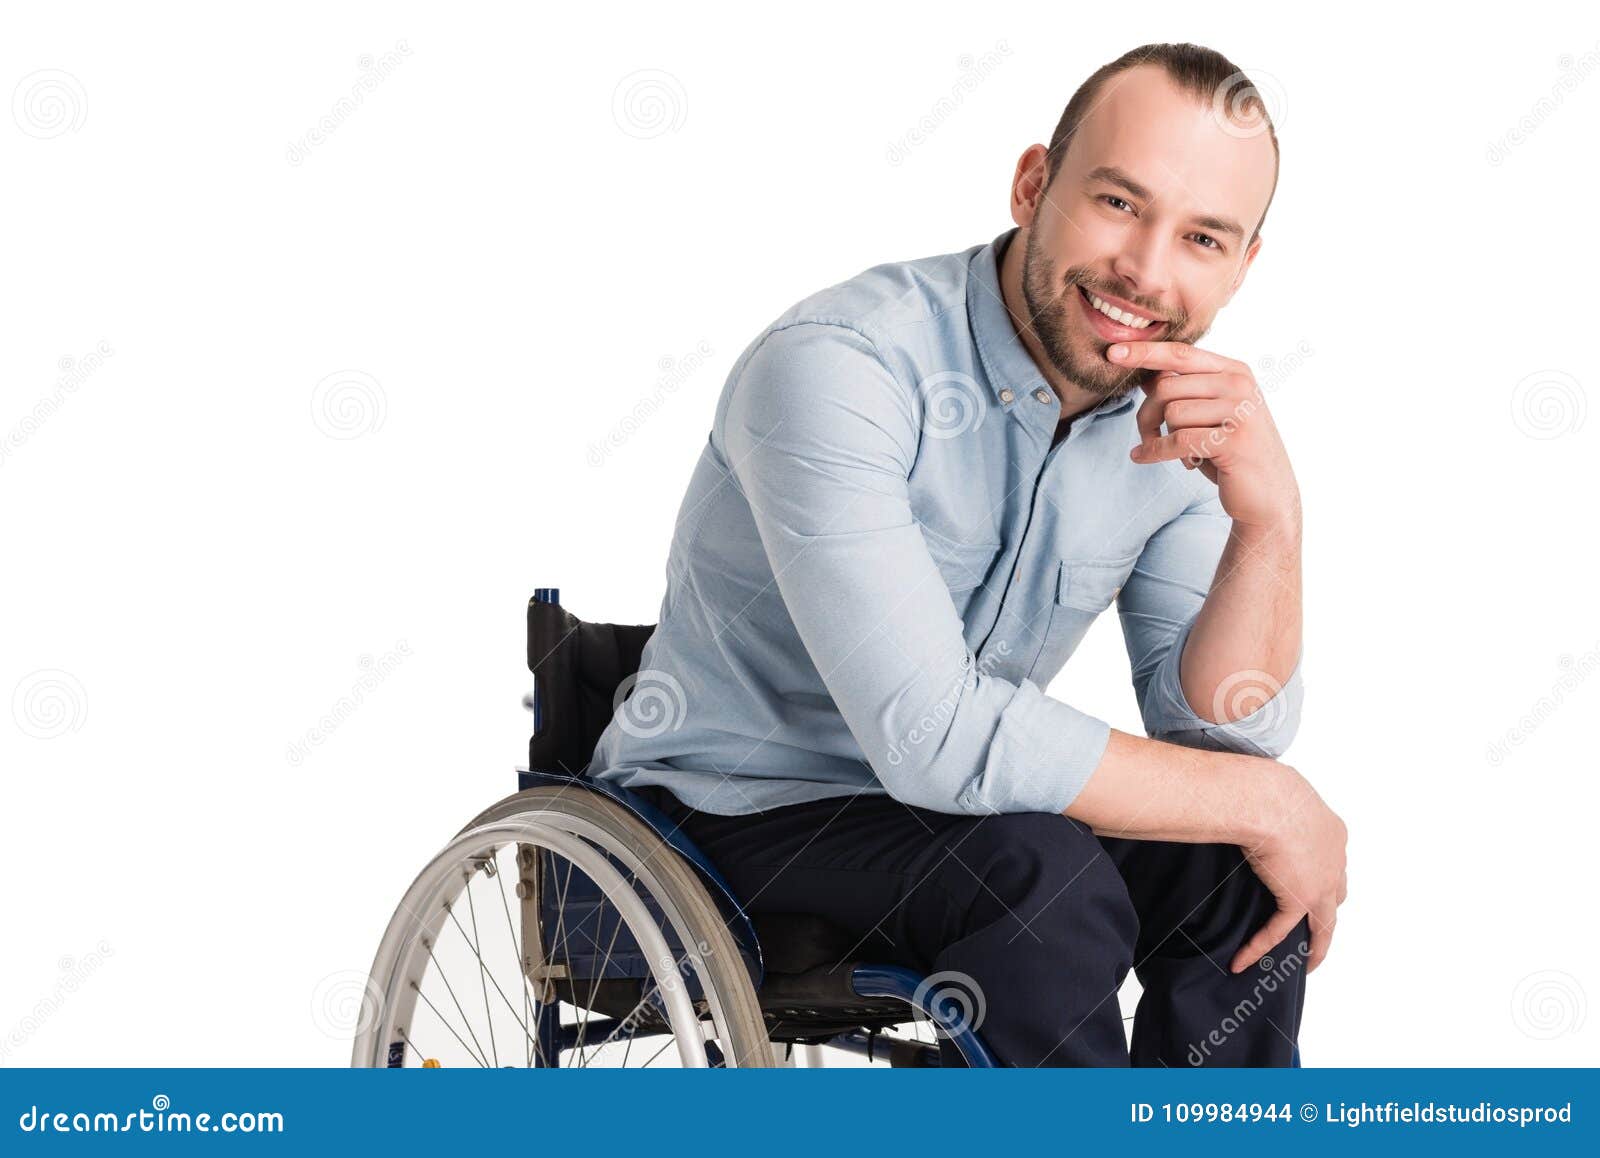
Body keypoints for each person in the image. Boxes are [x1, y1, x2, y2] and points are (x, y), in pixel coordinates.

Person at [590, 41, 1348, 1066]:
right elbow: (929, 733)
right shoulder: (840, 366)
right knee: (1044, 879)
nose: (1147, 271)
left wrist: (1271, 524)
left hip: (949, 818)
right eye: (1119, 205)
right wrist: (1273, 803)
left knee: (1232, 871)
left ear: (1241, 263)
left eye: (1202, 238)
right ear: (1033, 184)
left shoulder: (1183, 419)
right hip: (737, 811)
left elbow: (1219, 739)